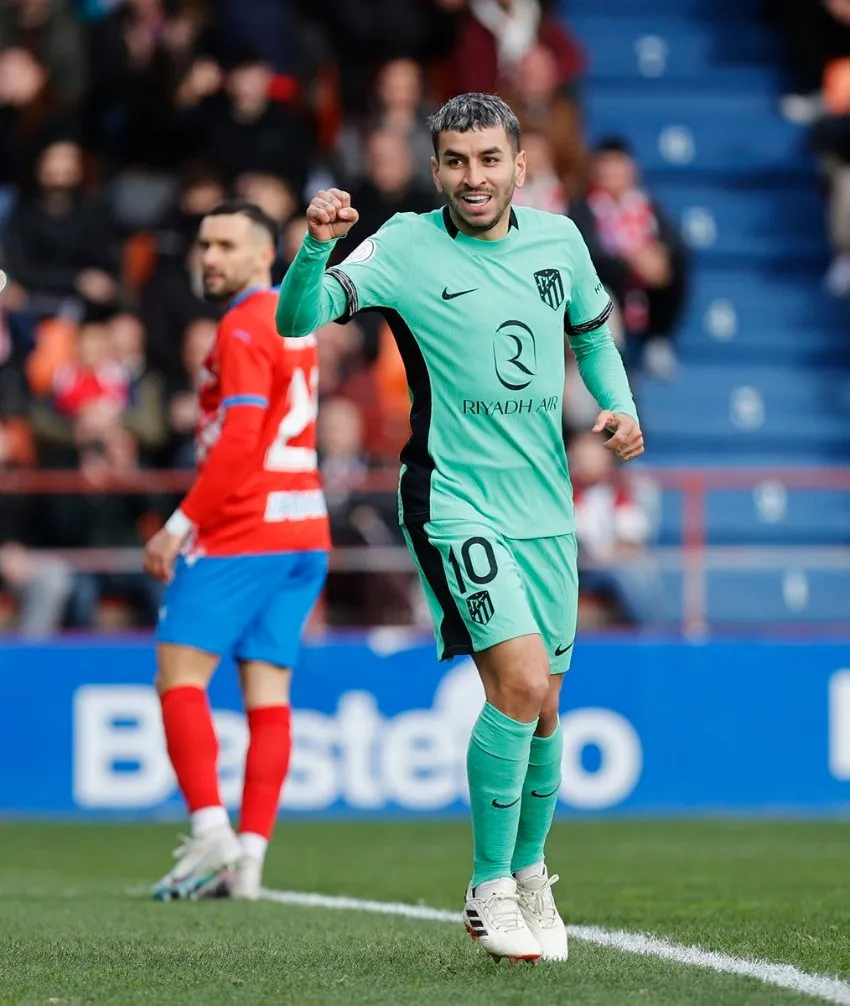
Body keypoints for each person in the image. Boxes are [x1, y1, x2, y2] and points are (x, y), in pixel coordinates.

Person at [275, 93, 643, 963]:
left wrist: (620, 406)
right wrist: (316, 247)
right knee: (517, 680)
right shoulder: (404, 243)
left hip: (545, 505)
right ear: (435, 167)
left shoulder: (560, 241)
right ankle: (487, 889)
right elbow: (298, 320)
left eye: (488, 160)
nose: (472, 177)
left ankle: (528, 877)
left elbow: (591, 336)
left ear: (521, 166)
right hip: (453, 498)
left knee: (547, 705)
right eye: (454, 161)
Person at [143, 200, 330, 901]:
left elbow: (242, 441)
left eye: (226, 244)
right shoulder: (295, 316)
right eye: (203, 244)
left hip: (243, 528)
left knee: (179, 677)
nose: (210, 257)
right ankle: (248, 860)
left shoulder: (244, 324)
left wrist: (179, 524)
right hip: (304, 526)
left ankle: (211, 833)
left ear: (264, 255)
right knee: (267, 695)